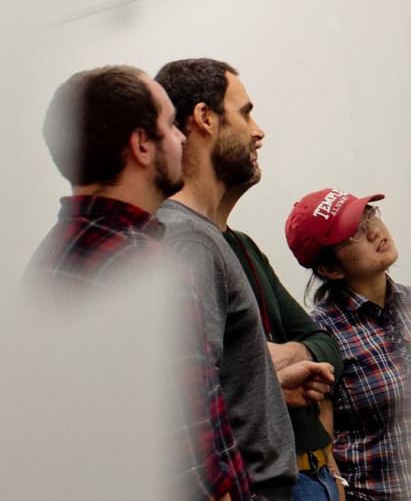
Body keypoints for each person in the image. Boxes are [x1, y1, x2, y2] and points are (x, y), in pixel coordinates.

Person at [26, 64, 250, 500]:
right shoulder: (143, 267)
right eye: (170, 124)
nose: (183, 138)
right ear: (142, 145)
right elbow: (192, 468)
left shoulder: (49, 256)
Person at [154, 58, 335, 500]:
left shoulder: (220, 240)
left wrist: (269, 372)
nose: (259, 132)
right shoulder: (186, 241)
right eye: (246, 112)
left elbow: (320, 341)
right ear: (204, 119)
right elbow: (189, 401)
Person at [284, 188, 411, 500]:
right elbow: (323, 451)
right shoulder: (320, 335)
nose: (374, 230)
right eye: (353, 233)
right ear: (330, 269)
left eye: (369, 215)